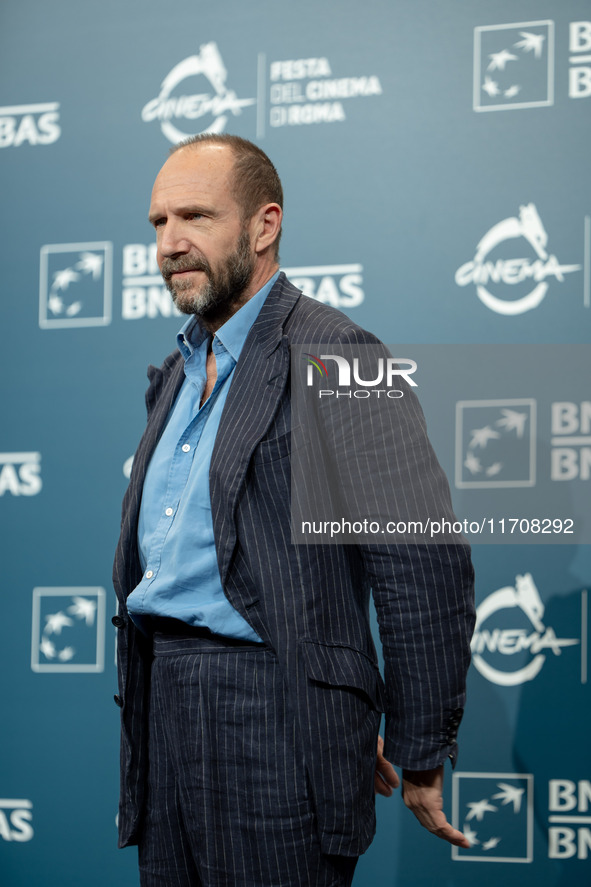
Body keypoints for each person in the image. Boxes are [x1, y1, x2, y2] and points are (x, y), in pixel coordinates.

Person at [113, 133, 475, 887]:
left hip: (273, 714)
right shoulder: (178, 372)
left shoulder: (336, 354)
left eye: (195, 217)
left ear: (263, 225)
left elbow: (420, 566)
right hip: (164, 700)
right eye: (157, 223)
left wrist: (417, 746)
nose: (170, 243)